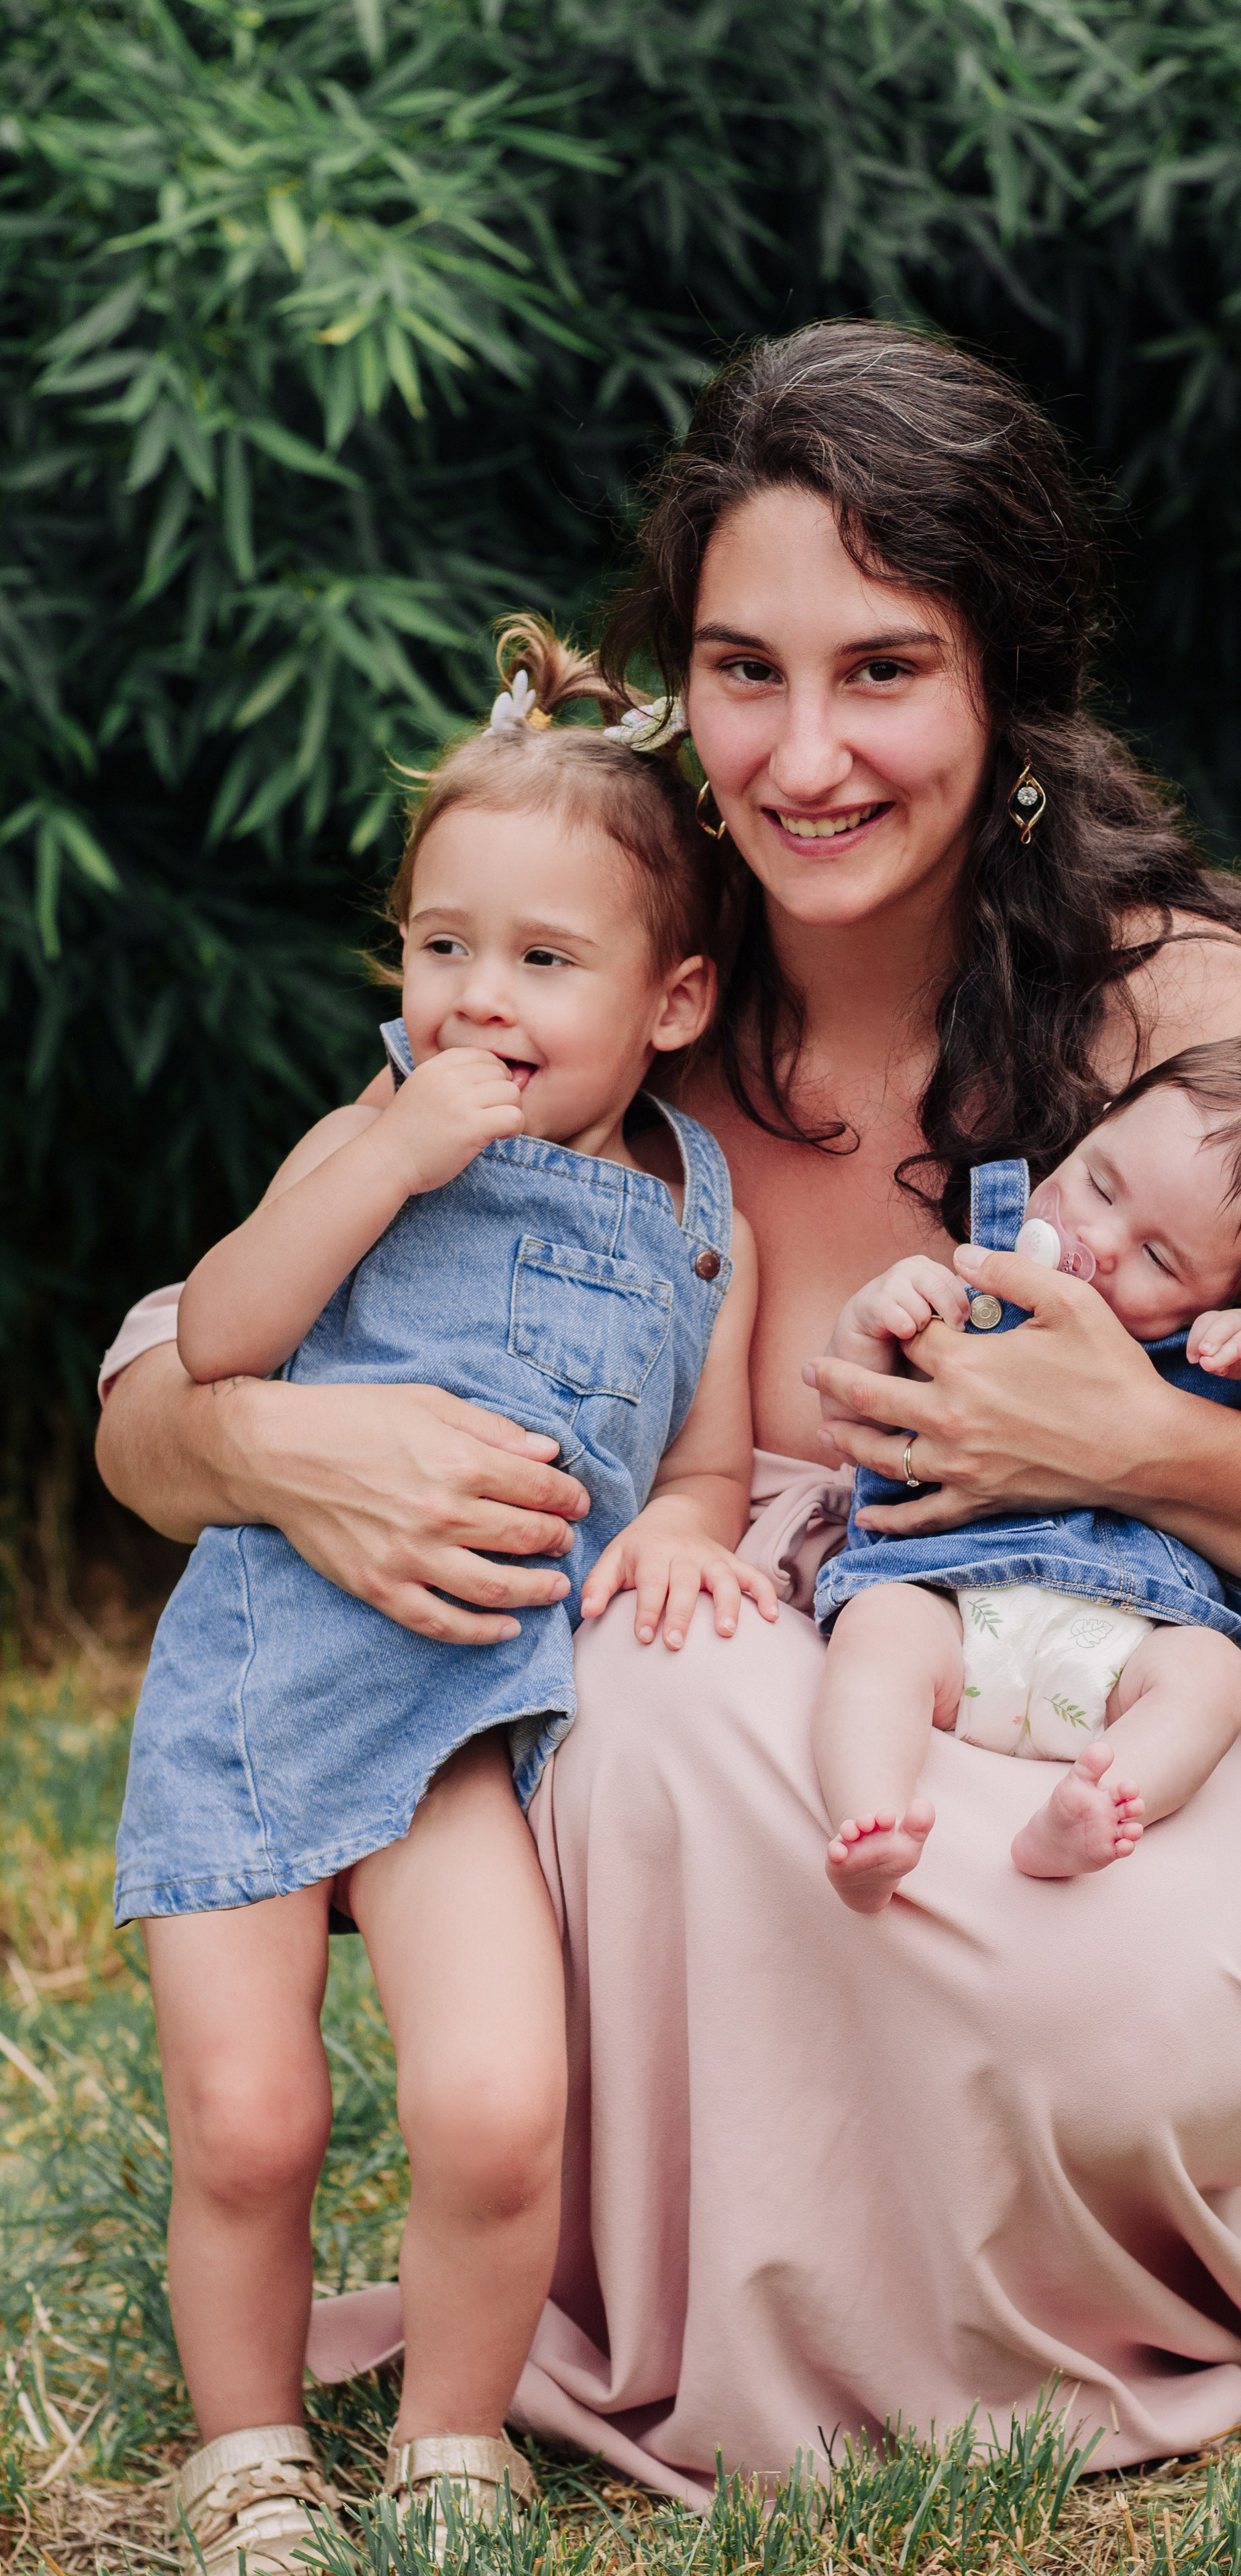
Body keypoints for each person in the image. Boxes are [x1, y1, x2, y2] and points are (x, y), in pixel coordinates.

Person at [97, 323, 1241, 2507]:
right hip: (802, 1724)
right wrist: (272, 1454)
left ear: (1006, 695)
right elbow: (173, 1381)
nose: (806, 754)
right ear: (680, 692)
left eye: (883, 669)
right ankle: (735, 2344)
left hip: (1177, 1729)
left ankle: (1020, 2239)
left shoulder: (1181, 1020)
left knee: (1089, 1991)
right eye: (745, 671)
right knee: (657, 1687)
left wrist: (1128, 1443)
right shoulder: (596, 999)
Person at [110, 621, 772, 2574]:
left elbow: (709, 1455)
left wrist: (688, 1530)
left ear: (674, 1001)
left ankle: (453, 2443)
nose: (477, 999)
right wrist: (380, 1160)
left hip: (470, 1710)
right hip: (263, 1668)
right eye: (439, 948)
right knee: (251, 2121)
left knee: (495, 2107)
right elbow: (219, 1340)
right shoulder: (369, 1141)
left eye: (544, 963)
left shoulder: (698, 1211)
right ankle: (246, 2453)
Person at [812, 1037, 1241, 1907]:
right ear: (1089, 1133)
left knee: (1212, 1676)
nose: (1101, 1240)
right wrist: (873, 1318)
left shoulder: (1225, 1353)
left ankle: (1098, 1809)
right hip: (947, 1601)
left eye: (1159, 1257)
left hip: (1133, 1641)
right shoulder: (980, 1285)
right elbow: (861, 1406)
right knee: (875, 1635)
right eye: (1101, 1185)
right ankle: (870, 1821)